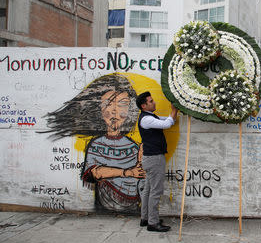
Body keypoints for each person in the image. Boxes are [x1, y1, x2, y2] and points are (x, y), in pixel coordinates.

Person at [43, 73, 145, 212]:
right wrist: (127, 172)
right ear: (99, 109)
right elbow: (94, 173)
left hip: (133, 204)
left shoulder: (132, 146)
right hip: (105, 206)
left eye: (123, 104)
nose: (115, 110)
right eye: (108, 104)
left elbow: (140, 175)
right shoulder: (97, 145)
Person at [136, 91, 178, 232]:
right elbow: (167, 124)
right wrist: (174, 109)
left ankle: (145, 218)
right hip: (154, 159)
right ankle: (153, 223)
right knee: (155, 190)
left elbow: (168, 121)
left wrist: (174, 112)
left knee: (148, 189)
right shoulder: (146, 119)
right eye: (151, 101)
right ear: (143, 105)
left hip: (150, 158)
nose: (154, 102)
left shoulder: (149, 117)